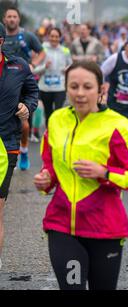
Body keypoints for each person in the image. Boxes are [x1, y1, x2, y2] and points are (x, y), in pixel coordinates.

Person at [33, 61, 128, 290]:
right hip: (62, 224)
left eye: (87, 87)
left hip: (105, 229)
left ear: (101, 90)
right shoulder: (56, 120)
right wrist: (46, 179)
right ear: (66, 89)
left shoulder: (119, 126)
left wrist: (104, 173)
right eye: (74, 86)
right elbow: (51, 163)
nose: (80, 93)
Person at [0, 22, 39, 270]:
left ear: (1, 41)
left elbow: (32, 91)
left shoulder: (18, 66)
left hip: (6, 143)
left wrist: (28, 106)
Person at [3, 7, 45, 171]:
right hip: (5, 85)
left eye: (14, 16)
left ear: (18, 19)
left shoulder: (27, 36)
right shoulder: (2, 36)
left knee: (24, 124)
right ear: (5, 19)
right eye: (9, 16)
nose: (12, 19)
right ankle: (8, 153)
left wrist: (33, 65)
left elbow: (41, 52)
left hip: (23, 84)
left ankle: (24, 151)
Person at [33, 28, 72, 126]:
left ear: (60, 38)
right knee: (48, 113)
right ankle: (49, 136)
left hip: (60, 87)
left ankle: (57, 135)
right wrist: (44, 67)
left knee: (58, 112)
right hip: (45, 87)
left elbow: (71, 66)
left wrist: (67, 69)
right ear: (48, 37)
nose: (54, 39)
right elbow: (35, 70)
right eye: (52, 36)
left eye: (56, 37)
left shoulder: (65, 50)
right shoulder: (42, 49)